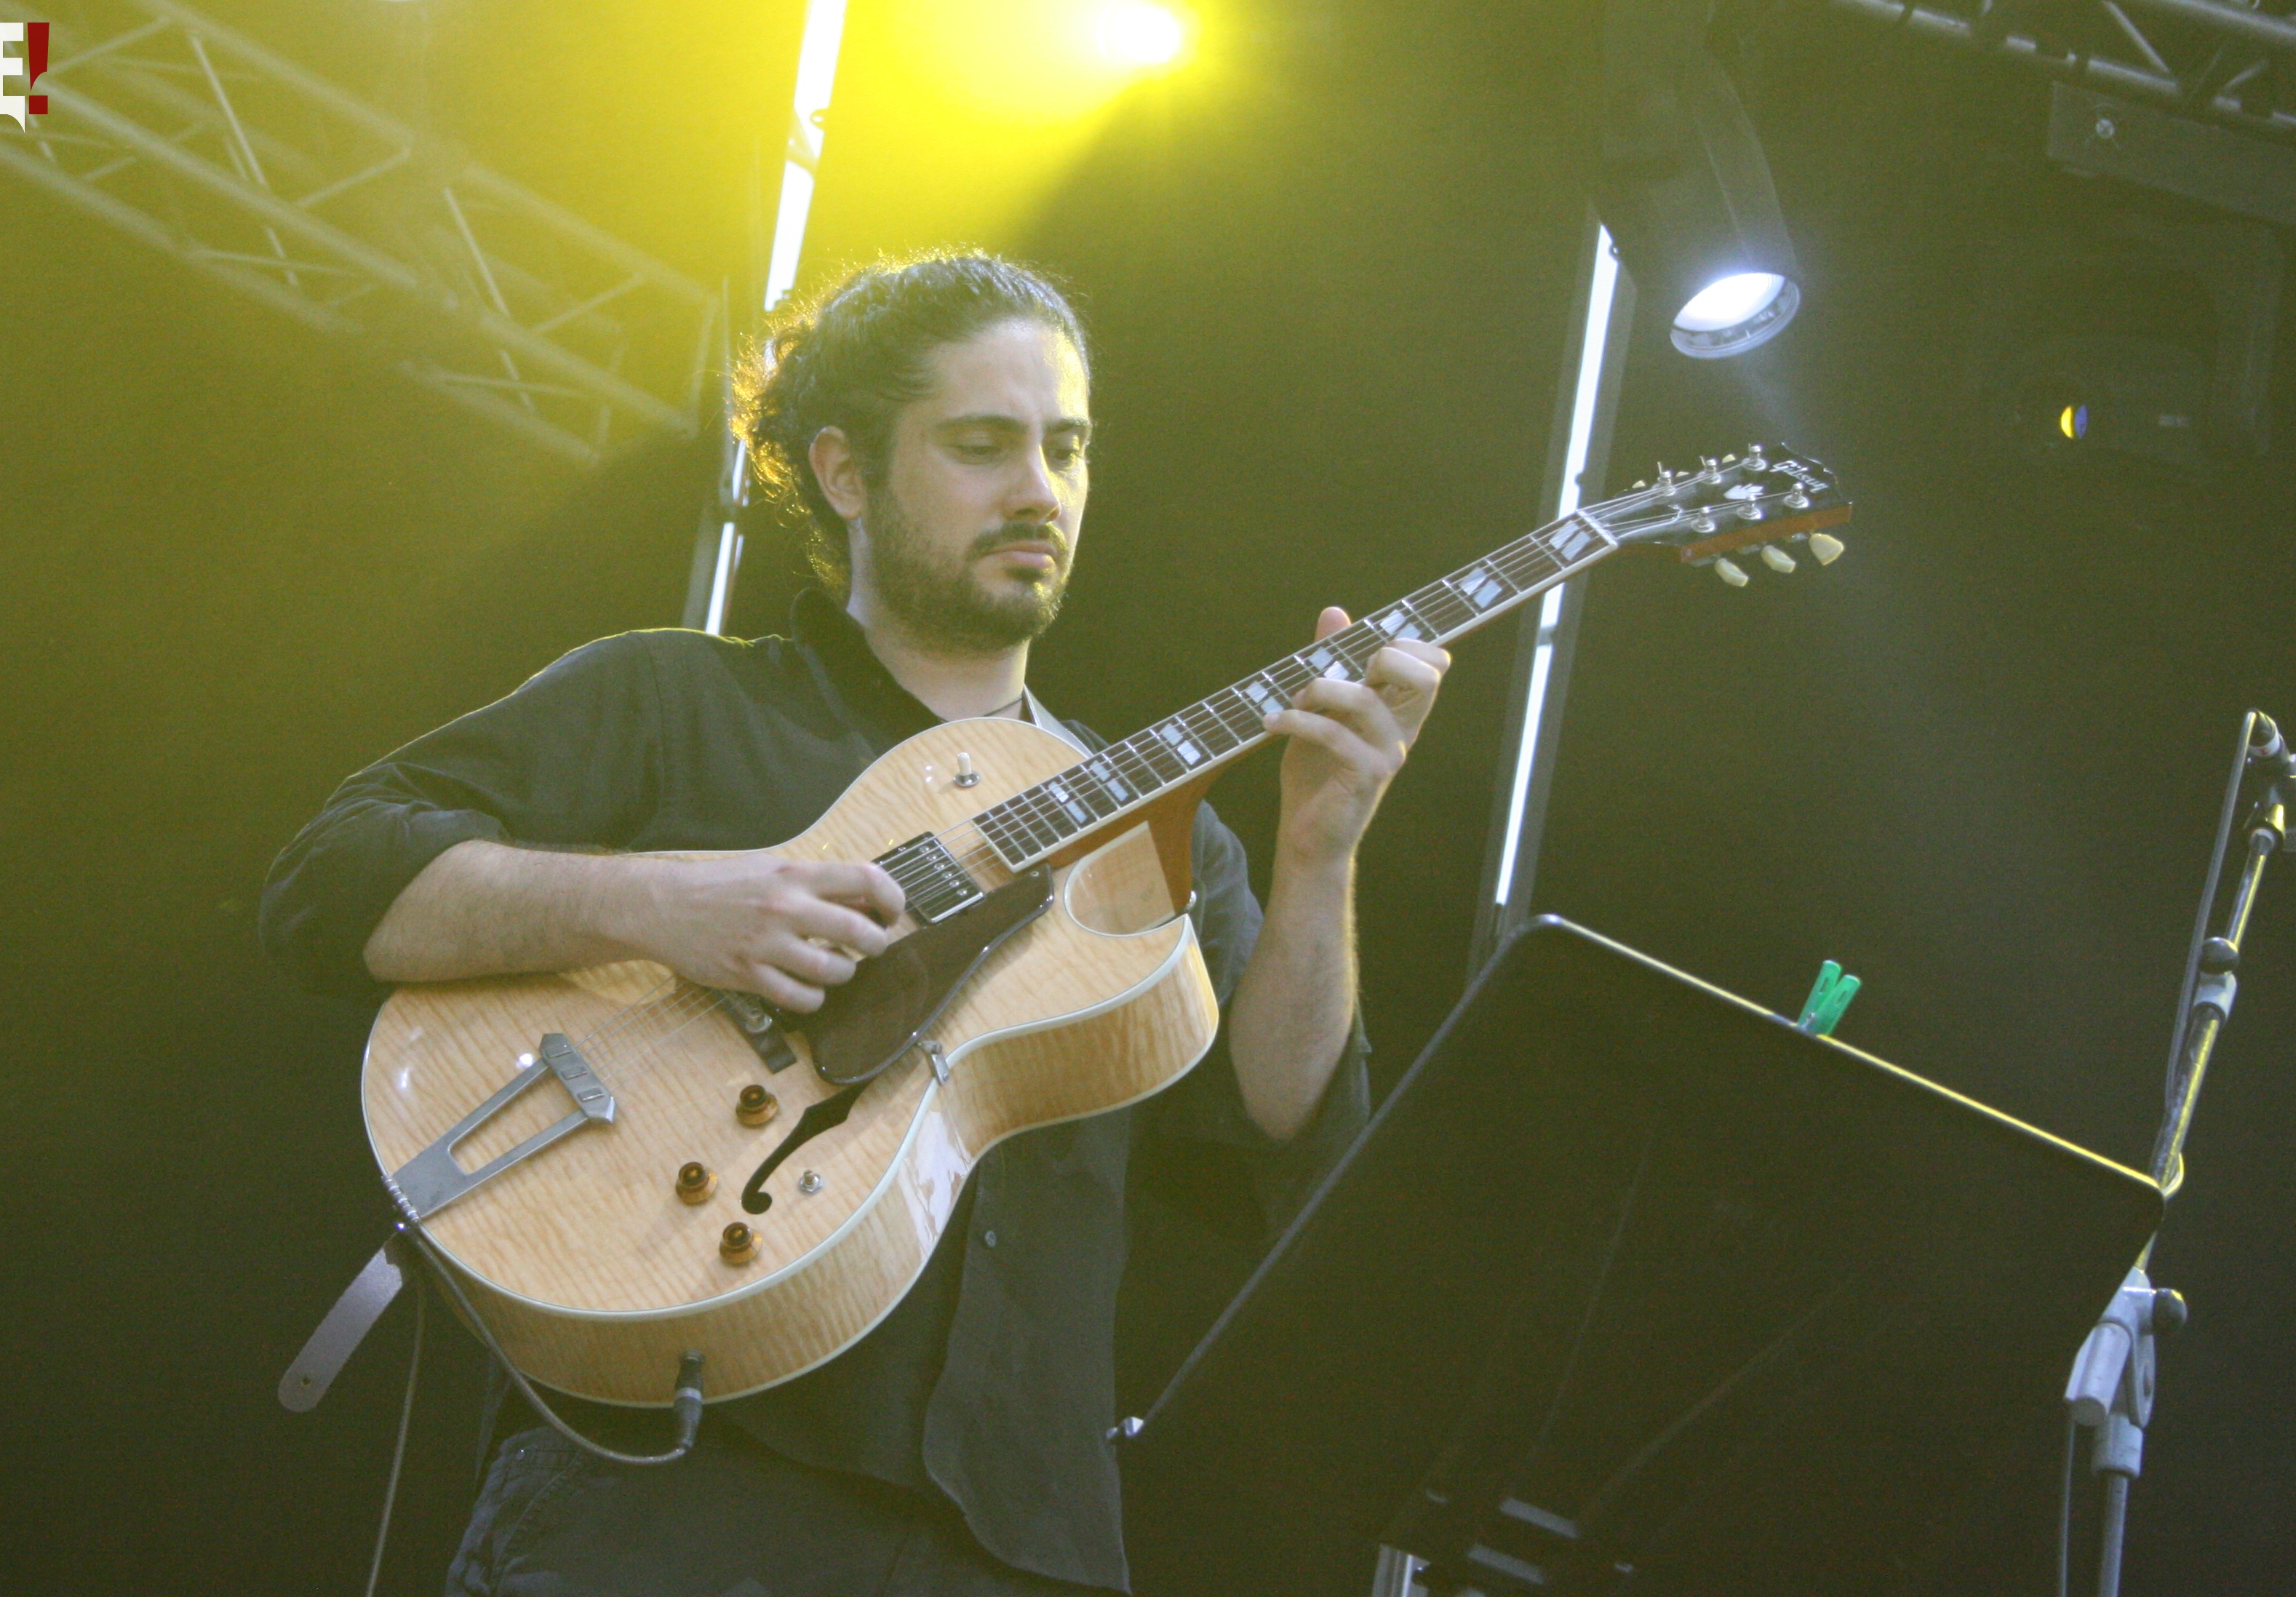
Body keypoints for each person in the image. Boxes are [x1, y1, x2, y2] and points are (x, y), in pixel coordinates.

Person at [259, 252, 1448, 1597]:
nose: (1038, 489)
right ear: (844, 472)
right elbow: (330, 879)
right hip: (671, 1500)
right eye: (981, 446)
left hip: (1023, 1543)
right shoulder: (674, 699)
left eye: (1065, 449)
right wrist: (665, 902)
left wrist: (1320, 850)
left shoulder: (1160, 843)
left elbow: (1278, 1143)